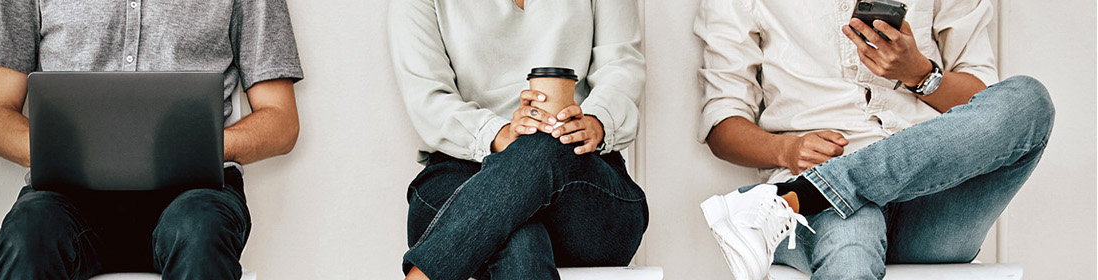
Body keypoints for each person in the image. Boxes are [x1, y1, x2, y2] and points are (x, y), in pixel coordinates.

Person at [693, 0, 1053, 279]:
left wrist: (919, 74)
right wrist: (786, 150)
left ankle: (809, 194)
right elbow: (723, 123)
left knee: (1028, 99)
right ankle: (820, 193)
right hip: (823, 214)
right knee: (852, 234)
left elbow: (983, 109)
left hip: (932, 205)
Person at [0, 0, 303, 278]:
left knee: (200, 230)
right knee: (28, 233)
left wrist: (191, 152)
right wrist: (71, 154)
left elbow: (281, 121)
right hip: (66, 195)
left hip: (197, 193)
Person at [388, 0, 648, 279]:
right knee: (521, 242)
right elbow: (428, 99)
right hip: (459, 176)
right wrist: (501, 134)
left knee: (549, 139)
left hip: (581, 187)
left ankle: (425, 273)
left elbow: (622, 66)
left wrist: (597, 121)